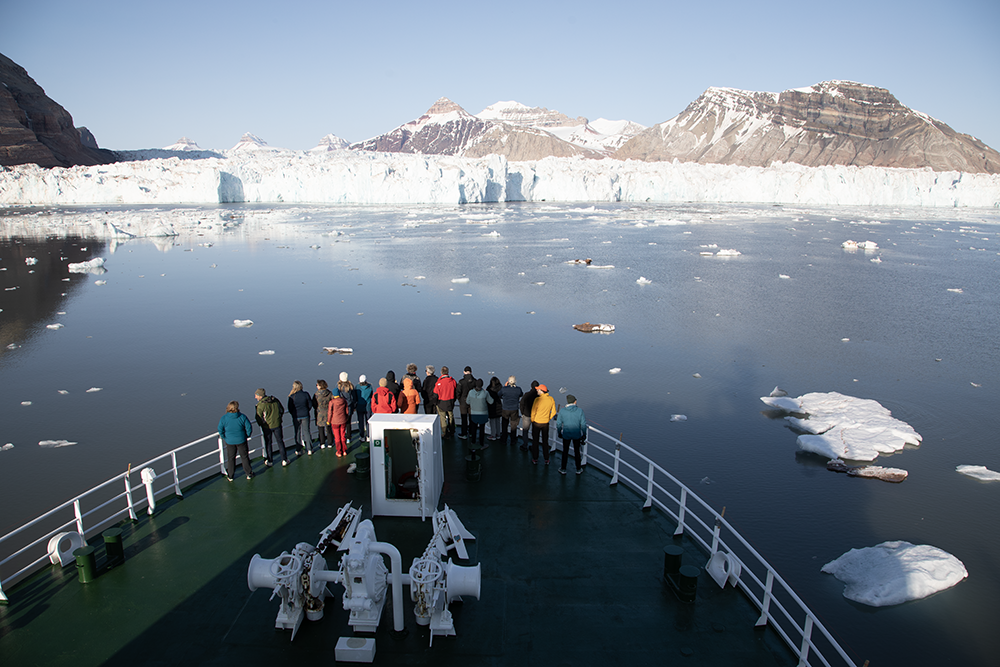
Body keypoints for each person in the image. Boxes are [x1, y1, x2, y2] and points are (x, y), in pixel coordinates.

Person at [218, 400, 253, 480]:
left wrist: (224, 437)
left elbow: (220, 429)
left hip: (230, 442)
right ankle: (249, 473)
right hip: (241, 440)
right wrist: (247, 435)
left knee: (231, 459)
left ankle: (230, 475)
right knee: (244, 457)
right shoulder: (242, 417)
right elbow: (249, 427)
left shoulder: (224, 418)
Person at [555, 394, 588, 474]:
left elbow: (559, 424)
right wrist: (584, 434)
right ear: (574, 401)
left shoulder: (562, 411)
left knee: (565, 452)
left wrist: (559, 432)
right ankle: (578, 469)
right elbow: (583, 424)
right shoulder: (580, 411)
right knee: (577, 452)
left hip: (566, 434)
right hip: (577, 435)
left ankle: (563, 468)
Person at [255, 388, 286, 466]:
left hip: (267, 427)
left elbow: (258, 417)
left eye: (256, 395)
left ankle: (270, 461)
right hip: (277, 424)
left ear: (259, 395)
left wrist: (261, 424)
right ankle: (284, 459)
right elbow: (281, 410)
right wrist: (279, 418)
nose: (255, 397)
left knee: (268, 443)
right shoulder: (275, 400)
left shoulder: (261, 405)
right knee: (280, 441)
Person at [529, 384, 557, 464]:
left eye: (538, 390)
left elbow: (533, 412)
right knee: (545, 441)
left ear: (542, 391)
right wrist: (548, 418)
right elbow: (554, 412)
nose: (537, 391)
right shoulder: (551, 399)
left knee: (535, 441)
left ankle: (535, 458)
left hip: (537, 423)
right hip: (545, 424)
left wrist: (532, 420)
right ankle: (546, 458)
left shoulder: (537, 400)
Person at [466, 378, 493, 448]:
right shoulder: (485, 393)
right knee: (482, 429)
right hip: (483, 414)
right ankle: (481, 444)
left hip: (474, 413)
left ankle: (473, 442)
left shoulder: (470, 392)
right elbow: (491, 401)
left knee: (473, 428)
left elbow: (467, 402)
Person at [287, 381, 312, 455]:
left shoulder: (292, 397)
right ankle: (309, 449)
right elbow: (310, 404)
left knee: (297, 432)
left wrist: (293, 414)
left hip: (296, 416)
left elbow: (290, 408)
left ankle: (298, 449)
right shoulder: (305, 394)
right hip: (305, 415)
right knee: (307, 432)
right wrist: (306, 410)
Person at [433, 366, 457, 438]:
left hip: (441, 402)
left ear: (441, 372)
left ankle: (445, 432)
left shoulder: (439, 383)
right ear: (448, 372)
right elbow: (456, 391)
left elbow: (435, 394)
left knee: (442, 418)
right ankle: (452, 430)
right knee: (451, 416)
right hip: (450, 402)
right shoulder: (453, 381)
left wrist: (435, 402)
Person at [499, 375, 523, 446]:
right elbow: (521, 394)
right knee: (513, 425)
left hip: (505, 409)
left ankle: (504, 440)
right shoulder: (518, 389)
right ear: (515, 381)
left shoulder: (504, 389)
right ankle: (513, 440)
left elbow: (499, 394)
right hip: (514, 409)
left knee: (504, 425)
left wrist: (505, 387)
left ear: (508, 381)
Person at [518, 381, 540, 451]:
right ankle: (534, 446)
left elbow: (521, 404)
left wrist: (523, 413)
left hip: (527, 415)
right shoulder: (539, 396)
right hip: (536, 416)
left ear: (531, 387)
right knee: (535, 432)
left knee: (525, 431)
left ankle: (525, 445)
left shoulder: (527, 395)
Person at [456, 366, 477, 439]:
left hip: (463, 402)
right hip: (472, 402)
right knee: (472, 418)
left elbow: (458, 392)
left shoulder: (461, 382)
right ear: (471, 372)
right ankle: (471, 432)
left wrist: (460, 400)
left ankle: (464, 433)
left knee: (464, 418)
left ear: (464, 372)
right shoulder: (475, 381)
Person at [328, 388, 349, 457]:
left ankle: (339, 451)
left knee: (337, 437)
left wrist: (328, 421)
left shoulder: (332, 402)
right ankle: (344, 450)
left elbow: (330, 413)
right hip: (343, 420)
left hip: (335, 422)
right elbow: (347, 411)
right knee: (343, 435)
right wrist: (346, 417)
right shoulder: (344, 400)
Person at [314, 380, 334, 450]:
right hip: (328, 413)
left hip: (319, 413)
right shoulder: (329, 393)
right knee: (328, 428)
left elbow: (314, 404)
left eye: (317, 385)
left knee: (320, 429)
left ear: (320, 386)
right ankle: (330, 443)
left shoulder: (316, 395)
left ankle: (322, 443)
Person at [337, 372, 357, 441]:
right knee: (349, 423)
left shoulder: (339, 387)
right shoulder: (351, 386)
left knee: (342, 423)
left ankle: (342, 437)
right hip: (350, 406)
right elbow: (354, 398)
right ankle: (349, 437)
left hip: (342, 407)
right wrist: (354, 406)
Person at [355, 375, 373, 441]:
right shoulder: (370, 386)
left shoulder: (357, 387)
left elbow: (355, 397)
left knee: (361, 422)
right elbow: (371, 395)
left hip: (359, 406)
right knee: (368, 421)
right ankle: (368, 436)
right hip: (368, 406)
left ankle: (362, 436)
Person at [486, 376, 503, 440]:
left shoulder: (489, 388)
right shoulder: (500, 387)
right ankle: (498, 434)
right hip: (499, 405)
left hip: (492, 406)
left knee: (492, 421)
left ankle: (493, 435)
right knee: (498, 421)